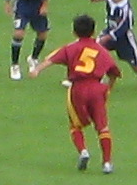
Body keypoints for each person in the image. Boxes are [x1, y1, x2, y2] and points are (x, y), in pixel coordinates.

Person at [31, 13, 123, 172]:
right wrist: (109, 87)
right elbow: (114, 72)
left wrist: (37, 70)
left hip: (78, 89)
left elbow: (51, 60)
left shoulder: (70, 48)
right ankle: (107, 163)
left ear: (74, 32)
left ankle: (83, 151)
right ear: (93, 32)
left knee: (75, 124)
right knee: (102, 126)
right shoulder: (101, 50)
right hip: (97, 88)